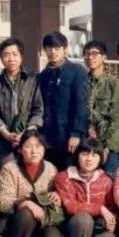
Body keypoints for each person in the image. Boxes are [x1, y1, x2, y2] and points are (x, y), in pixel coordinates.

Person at [0, 129, 65, 237]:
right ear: (20, 150)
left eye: (38, 146)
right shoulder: (10, 168)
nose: (34, 151)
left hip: (42, 220)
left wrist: (56, 195)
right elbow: (3, 202)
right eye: (28, 146)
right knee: (26, 213)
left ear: (44, 149)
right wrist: (25, 203)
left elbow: (57, 195)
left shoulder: (51, 169)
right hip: (15, 220)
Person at [55, 138, 118, 237]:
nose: (89, 159)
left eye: (94, 155)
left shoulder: (106, 180)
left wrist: (111, 221)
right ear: (77, 155)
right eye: (84, 154)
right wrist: (99, 208)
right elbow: (71, 206)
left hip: (98, 228)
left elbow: (112, 208)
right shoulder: (64, 177)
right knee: (83, 219)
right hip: (73, 228)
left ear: (101, 158)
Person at [0, 38, 44, 166]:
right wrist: (6, 134)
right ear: (1, 58)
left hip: (30, 140)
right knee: (8, 173)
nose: (11, 59)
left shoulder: (33, 80)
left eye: (15, 54)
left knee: (30, 174)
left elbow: (38, 109)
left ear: (21, 57)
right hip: (4, 142)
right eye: (6, 55)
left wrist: (27, 132)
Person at [38, 31, 89, 171]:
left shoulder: (77, 71)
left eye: (57, 48)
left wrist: (76, 133)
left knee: (68, 175)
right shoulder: (43, 75)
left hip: (68, 138)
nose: (53, 52)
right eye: (49, 48)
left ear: (65, 49)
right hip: (48, 138)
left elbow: (82, 105)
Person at [83, 40, 119, 177]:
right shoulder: (82, 82)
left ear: (104, 57)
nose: (90, 57)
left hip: (110, 146)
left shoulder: (114, 83)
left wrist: (107, 146)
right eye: (87, 54)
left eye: (94, 54)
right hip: (86, 145)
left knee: (110, 181)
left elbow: (118, 118)